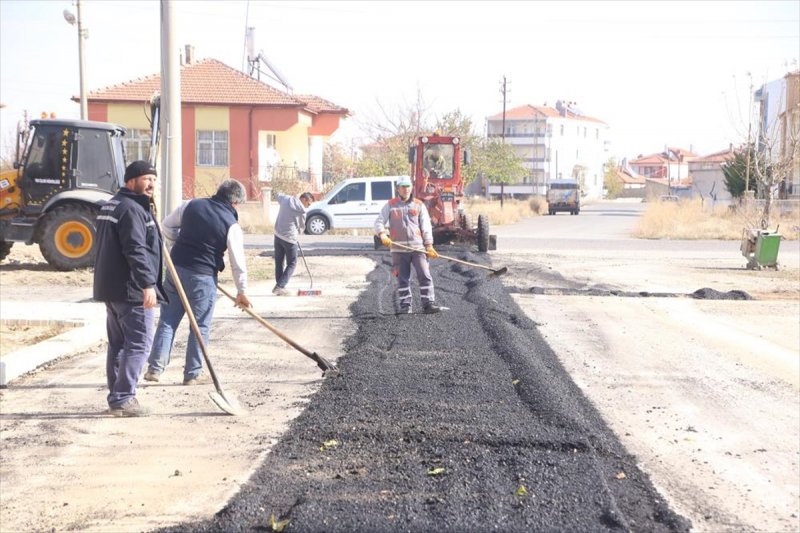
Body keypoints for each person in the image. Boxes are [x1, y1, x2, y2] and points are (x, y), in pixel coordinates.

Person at [144, 180, 251, 385]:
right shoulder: (231, 224)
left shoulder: (191, 205)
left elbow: (166, 225)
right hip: (202, 277)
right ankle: (193, 373)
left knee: (168, 319)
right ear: (234, 202)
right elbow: (238, 262)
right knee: (200, 325)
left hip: (175, 270)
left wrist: (178, 244)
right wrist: (242, 291)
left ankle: (155, 368)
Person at [93, 160, 166, 417]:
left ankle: (117, 397)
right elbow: (135, 249)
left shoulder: (111, 205)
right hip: (130, 289)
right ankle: (124, 398)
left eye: (154, 180)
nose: (151, 184)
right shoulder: (131, 209)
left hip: (111, 288)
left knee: (118, 344)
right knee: (139, 344)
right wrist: (148, 284)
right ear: (130, 181)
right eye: (146, 179)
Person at [375, 176, 442, 314]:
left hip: (417, 248)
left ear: (411, 187)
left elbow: (426, 226)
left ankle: (428, 303)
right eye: (403, 187)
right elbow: (379, 221)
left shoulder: (418, 205)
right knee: (402, 278)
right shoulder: (390, 205)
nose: (406, 189)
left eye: (408, 186)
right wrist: (382, 234)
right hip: (398, 249)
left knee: (424, 274)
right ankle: (405, 306)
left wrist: (429, 245)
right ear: (398, 188)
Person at [272, 191, 314, 296]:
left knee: (279, 262)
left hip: (278, 235)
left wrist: (290, 195)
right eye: (308, 203)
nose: (308, 206)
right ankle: (280, 286)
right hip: (290, 239)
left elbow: (277, 195)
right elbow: (301, 227)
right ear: (304, 199)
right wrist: (297, 234)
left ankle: (279, 287)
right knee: (292, 263)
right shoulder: (302, 211)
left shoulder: (286, 199)